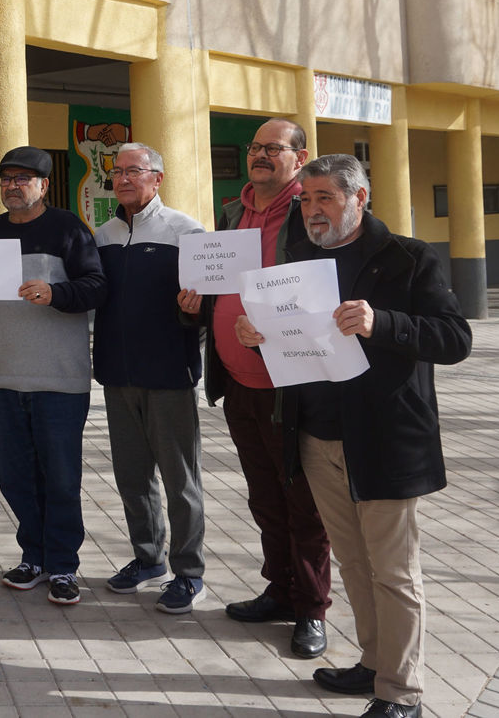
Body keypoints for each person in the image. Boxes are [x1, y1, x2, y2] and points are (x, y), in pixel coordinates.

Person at [237, 155, 471, 718]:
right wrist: (256, 335)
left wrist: (380, 323)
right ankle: (373, 664)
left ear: (359, 199)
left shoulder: (409, 259)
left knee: (393, 573)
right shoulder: (299, 260)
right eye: (307, 200)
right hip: (316, 437)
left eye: (326, 199)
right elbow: (294, 339)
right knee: (354, 565)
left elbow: (454, 339)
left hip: (384, 441)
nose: (313, 211)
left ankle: (402, 693)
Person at [178, 118, 332, 658]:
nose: (261, 155)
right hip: (240, 383)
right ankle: (281, 591)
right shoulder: (230, 212)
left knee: (304, 503)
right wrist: (198, 301)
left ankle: (312, 608)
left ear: (299, 155)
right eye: (256, 148)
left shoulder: (311, 209)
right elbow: (223, 284)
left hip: (292, 386)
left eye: (274, 148)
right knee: (265, 497)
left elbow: (326, 287)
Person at [0, 146, 105, 604]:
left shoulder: (68, 229)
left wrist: (55, 292)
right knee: (15, 477)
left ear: (44, 185)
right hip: (5, 376)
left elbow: (96, 287)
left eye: (23, 178)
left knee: (60, 476)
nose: (13, 185)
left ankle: (64, 566)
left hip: (59, 379)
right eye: (6, 178)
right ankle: (33, 555)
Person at [93, 142, 207, 614]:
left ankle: (188, 571)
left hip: (169, 376)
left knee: (180, 480)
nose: (122, 179)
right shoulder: (101, 235)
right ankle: (147, 558)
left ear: (157, 178)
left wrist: (193, 316)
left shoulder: (187, 232)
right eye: (116, 171)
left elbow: (208, 307)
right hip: (118, 376)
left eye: (133, 171)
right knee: (131, 477)